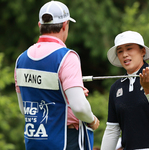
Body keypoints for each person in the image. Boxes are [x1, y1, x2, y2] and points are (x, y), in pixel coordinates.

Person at [14, 1, 99, 150]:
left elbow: (24, 108)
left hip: (35, 140)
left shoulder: (21, 59)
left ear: (40, 26)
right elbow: (79, 108)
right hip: (66, 140)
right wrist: (92, 120)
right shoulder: (67, 57)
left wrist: (68, 96)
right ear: (65, 25)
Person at [100, 31, 149, 150]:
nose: (124, 54)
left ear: (142, 51)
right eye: (120, 51)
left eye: (129, 48)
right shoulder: (116, 87)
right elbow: (112, 130)